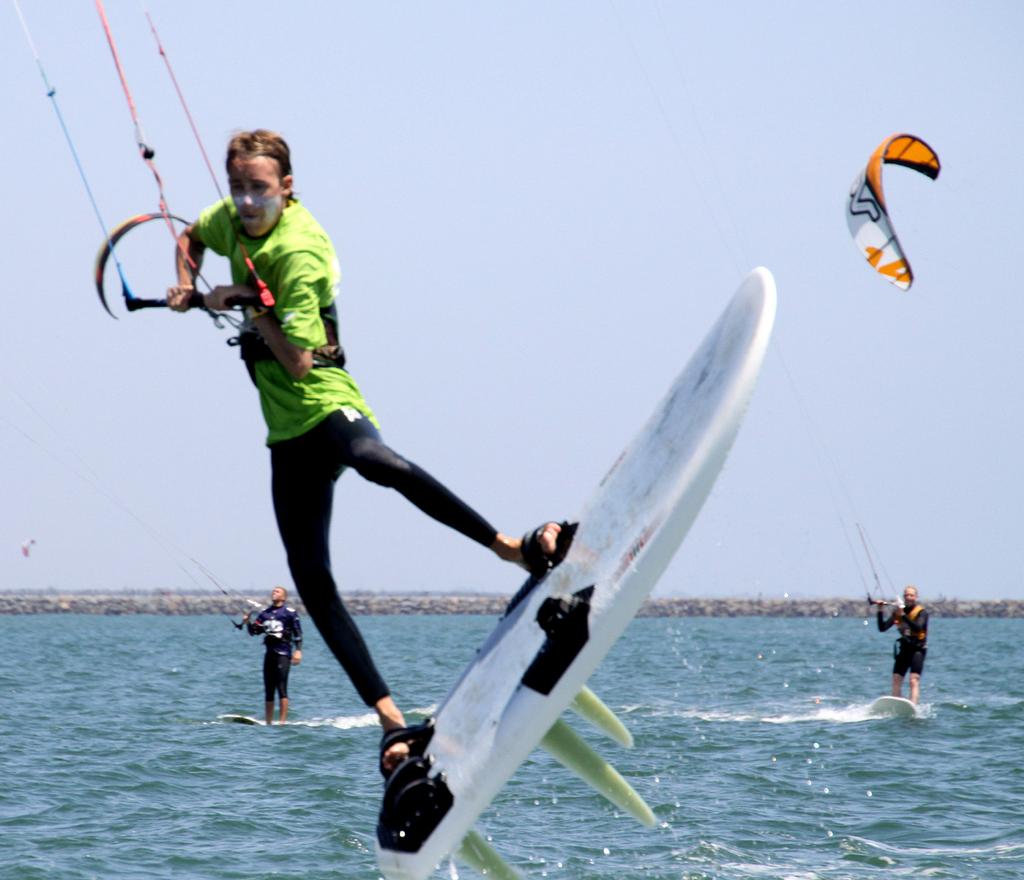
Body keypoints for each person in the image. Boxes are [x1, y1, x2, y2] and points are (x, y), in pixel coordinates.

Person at [166, 130, 564, 771]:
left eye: (258, 189)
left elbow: (297, 362)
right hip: (285, 435)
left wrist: (242, 299)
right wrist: (186, 282)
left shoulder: (302, 250)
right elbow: (190, 236)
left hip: (324, 402)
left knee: (379, 463)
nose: (245, 201)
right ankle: (392, 722)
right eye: (237, 188)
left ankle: (511, 549)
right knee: (311, 578)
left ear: (287, 188)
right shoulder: (231, 220)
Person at [243, 586, 303, 725]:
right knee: (269, 689)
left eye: (278, 591)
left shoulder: (289, 613)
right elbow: (254, 632)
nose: (274, 592)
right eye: (273, 591)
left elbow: (298, 634)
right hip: (269, 654)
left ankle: (282, 723)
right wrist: (248, 623)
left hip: (284, 653)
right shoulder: (264, 613)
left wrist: (298, 651)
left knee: (281, 687)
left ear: (284, 597)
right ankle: (268, 722)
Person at [874, 584, 928, 704]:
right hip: (904, 649)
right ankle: (897, 704)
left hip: (918, 649)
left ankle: (913, 705)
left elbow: (918, 627)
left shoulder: (921, 612)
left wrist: (903, 614)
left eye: (911, 595)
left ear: (916, 597)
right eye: (906, 595)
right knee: (896, 679)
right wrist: (880, 610)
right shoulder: (897, 613)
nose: (908, 597)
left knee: (914, 679)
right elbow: (882, 628)